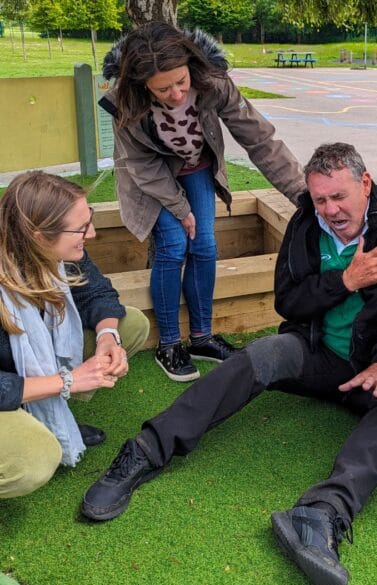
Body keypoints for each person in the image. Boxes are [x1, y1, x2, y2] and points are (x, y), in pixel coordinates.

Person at [80, 143, 377, 585]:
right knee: (265, 351)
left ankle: (322, 514)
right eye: (320, 200)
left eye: (339, 197)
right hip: (316, 356)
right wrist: (346, 280)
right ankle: (146, 450)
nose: (329, 210)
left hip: (371, 369)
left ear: (365, 184)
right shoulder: (307, 222)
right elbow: (288, 302)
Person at [100, 21, 306, 383]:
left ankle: (201, 338)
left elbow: (260, 139)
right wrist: (180, 209)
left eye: (181, 82)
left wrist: (302, 194)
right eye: (163, 89)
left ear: (191, 66)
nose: (177, 94)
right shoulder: (124, 103)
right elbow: (143, 166)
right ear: (140, 83)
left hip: (196, 167)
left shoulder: (214, 81)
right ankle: (168, 343)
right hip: (150, 179)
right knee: (174, 245)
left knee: (205, 245)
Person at [0, 171, 149, 500]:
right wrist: (69, 381)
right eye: (81, 228)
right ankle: (33, 423)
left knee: (131, 325)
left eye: (89, 220)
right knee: (35, 460)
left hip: (19, 377)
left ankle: (49, 416)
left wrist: (107, 338)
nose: (92, 233)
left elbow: (99, 293)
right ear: (38, 236)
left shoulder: (49, 251)